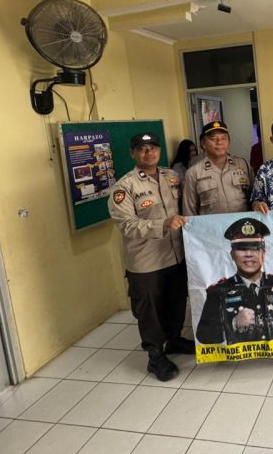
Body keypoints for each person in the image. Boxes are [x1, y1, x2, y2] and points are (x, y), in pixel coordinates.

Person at [107, 132, 193, 382]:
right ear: (133, 153)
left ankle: (174, 341)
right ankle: (155, 357)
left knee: (176, 302)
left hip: (176, 256)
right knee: (150, 312)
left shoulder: (172, 177)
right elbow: (128, 226)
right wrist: (162, 224)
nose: (149, 152)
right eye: (142, 149)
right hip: (145, 262)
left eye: (153, 147)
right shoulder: (124, 187)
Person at [196, 217, 273, 345]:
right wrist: (234, 323)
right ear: (232, 255)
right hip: (241, 363)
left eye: (255, 248)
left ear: (263, 254)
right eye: (242, 248)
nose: (248, 254)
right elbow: (204, 335)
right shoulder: (218, 291)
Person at [182, 121, 252, 216]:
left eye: (224, 138)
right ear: (203, 144)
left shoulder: (242, 165)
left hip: (242, 226)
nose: (219, 142)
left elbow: (254, 198)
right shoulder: (194, 173)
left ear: (229, 142)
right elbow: (189, 211)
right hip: (212, 229)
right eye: (213, 138)